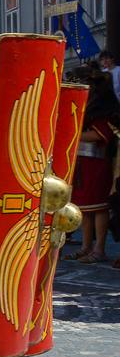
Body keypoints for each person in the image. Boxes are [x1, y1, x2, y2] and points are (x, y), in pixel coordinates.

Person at [68, 69, 120, 263]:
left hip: (98, 162)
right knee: (85, 208)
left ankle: (99, 250)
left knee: (99, 207)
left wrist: (72, 134)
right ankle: (86, 247)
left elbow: (101, 135)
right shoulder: (90, 106)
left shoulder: (106, 109)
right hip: (83, 162)